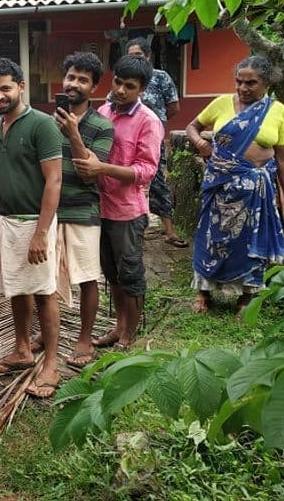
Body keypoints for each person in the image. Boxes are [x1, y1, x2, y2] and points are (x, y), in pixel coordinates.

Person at [186, 55, 284, 313]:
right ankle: (203, 291)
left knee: (251, 242)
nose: (242, 88)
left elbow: (283, 159)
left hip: (256, 191)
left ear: (267, 83)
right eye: (239, 82)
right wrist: (200, 143)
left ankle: (246, 297)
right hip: (220, 184)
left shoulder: (277, 110)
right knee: (212, 236)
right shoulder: (221, 103)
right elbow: (192, 127)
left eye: (251, 83)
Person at [0, 57, 63, 398]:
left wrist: (42, 232)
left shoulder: (42, 125)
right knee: (17, 288)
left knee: (43, 291)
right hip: (5, 224)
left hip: (34, 223)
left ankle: (53, 363)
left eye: (5, 88)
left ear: (22, 87)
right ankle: (23, 349)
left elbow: (54, 179)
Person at [75, 55, 161, 350]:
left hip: (127, 212)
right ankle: (119, 326)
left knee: (130, 274)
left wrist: (103, 169)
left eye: (130, 86)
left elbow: (146, 171)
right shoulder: (103, 111)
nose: (121, 90)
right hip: (100, 207)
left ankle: (129, 334)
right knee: (111, 272)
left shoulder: (148, 121)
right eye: (118, 82)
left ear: (142, 90)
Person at [52, 52, 114, 368]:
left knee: (87, 278)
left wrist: (73, 134)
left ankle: (84, 338)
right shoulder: (47, 121)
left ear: (94, 87)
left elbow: (90, 171)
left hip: (83, 211)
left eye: (83, 80)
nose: (74, 84)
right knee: (46, 278)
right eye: (71, 77)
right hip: (48, 212)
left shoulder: (102, 126)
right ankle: (48, 333)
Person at [122, 37, 185, 247]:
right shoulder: (123, 82)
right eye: (131, 56)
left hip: (152, 142)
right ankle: (133, 229)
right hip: (128, 142)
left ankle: (169, 231)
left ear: (148, 56)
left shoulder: (160, 77)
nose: (135, 60)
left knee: (158, 182)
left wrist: (154, 126)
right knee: (129, 182)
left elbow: (174, 107)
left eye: (138, 56)